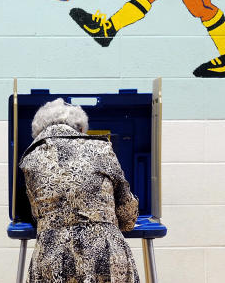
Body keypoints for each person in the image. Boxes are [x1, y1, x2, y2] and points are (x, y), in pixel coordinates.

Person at [19, 98, 140, 282]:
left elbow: (36, 215)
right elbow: (127, 214)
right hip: (106, 255)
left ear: (39, 132)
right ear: (81, 129)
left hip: (53, 258)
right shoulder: (102, 148)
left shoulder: (30, 158)